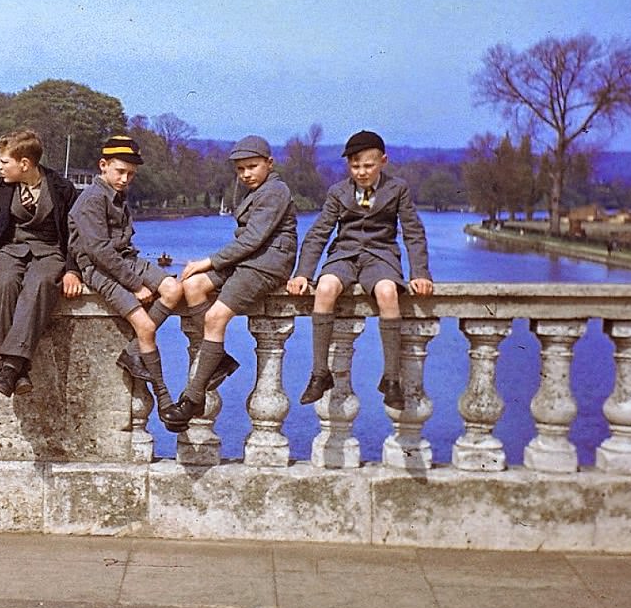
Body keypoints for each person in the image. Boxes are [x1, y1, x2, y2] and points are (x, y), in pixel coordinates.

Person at [287, 129, 434, 410]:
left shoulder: (397, 189)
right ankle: (320, 373)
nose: (362, 172)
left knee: (388, 292)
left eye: (368, 165)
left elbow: (413, 232)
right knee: (326, 287)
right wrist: (303, 274)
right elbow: (319, 232)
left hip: (380, 257)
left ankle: (391, 378)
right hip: (345, 254)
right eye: (355, 166)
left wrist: (420, 274)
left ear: (383, 162)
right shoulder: (338, 192)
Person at [161, 135, 297, 431]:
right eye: (241, 169)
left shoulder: (276, 191)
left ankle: (193, 397)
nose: (246, 174)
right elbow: (246, 244)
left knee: (215, 316)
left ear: (269, 164)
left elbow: (252, 240)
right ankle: (218, 360)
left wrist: (206, 261)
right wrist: (206, 267)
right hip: (249, 259)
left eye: (252, 166)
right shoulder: (257, 191)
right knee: (193, 286)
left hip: (267, 264)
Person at [68, 133, 184, 417]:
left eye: (131, 174)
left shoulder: (118, 195)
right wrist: (135, 286)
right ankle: (164, 399)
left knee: (174, 290)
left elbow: (121, 247)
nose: (125, 179)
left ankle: (133, 352)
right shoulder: (91, 200)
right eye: (120, 172)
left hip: (126, 259)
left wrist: (139, 276)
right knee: (145, 327)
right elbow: (99, 252)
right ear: (103, 165)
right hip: (98, 269)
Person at [0, 128, 83, 397]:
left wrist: (73, 270)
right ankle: (17, 368)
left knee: (40, 283)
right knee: (3, 283)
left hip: (50, 252)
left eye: (4, 162)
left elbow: (77, 235)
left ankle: (9, 366)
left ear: (24, 164)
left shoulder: (63, 189)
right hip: (10, 249)